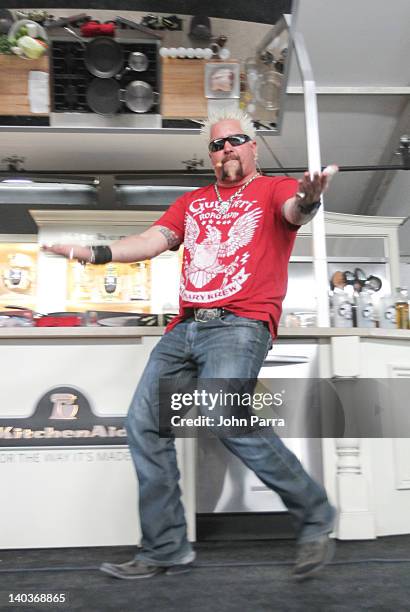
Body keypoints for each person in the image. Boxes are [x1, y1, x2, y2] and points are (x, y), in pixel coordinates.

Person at [43, 108, 336, 581]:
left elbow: (295, 210)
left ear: (253, 146)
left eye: (234, 141)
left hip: (241, 323)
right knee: (143, 425)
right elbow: (150, 240)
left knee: (222, 414)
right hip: (186, 327)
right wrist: (93, 253)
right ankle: (165, 549)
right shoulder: (193, 201)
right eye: (216, 146)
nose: (225, 151)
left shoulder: (273, 189)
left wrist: (309, 198)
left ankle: (316, 515)